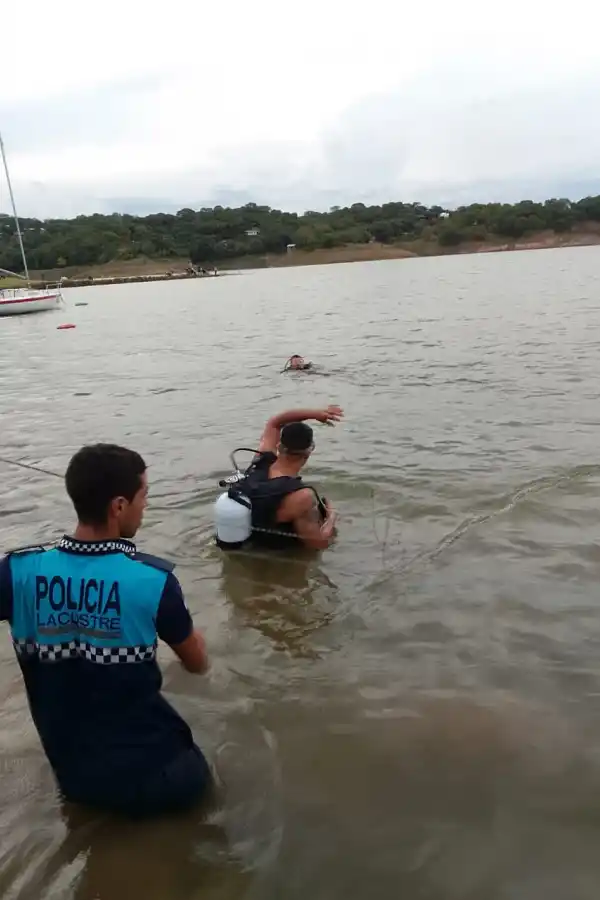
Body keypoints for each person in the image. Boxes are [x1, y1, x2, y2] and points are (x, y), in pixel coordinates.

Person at [0, 443, 211, 819]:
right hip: (164, 773)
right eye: (144, 495)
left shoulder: (16, 571)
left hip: (76, 778)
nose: (146, 505)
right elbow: (197, 664)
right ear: (118, 505)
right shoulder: (152, 580)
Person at [234, 405, 342, 550]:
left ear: (279, 446)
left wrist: (315, 413)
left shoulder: (260, 461)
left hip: (243, 543)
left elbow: (275, 422)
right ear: (309, 451)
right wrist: (331, 517)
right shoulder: (302, 497)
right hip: (273, 556)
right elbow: (318, 544)